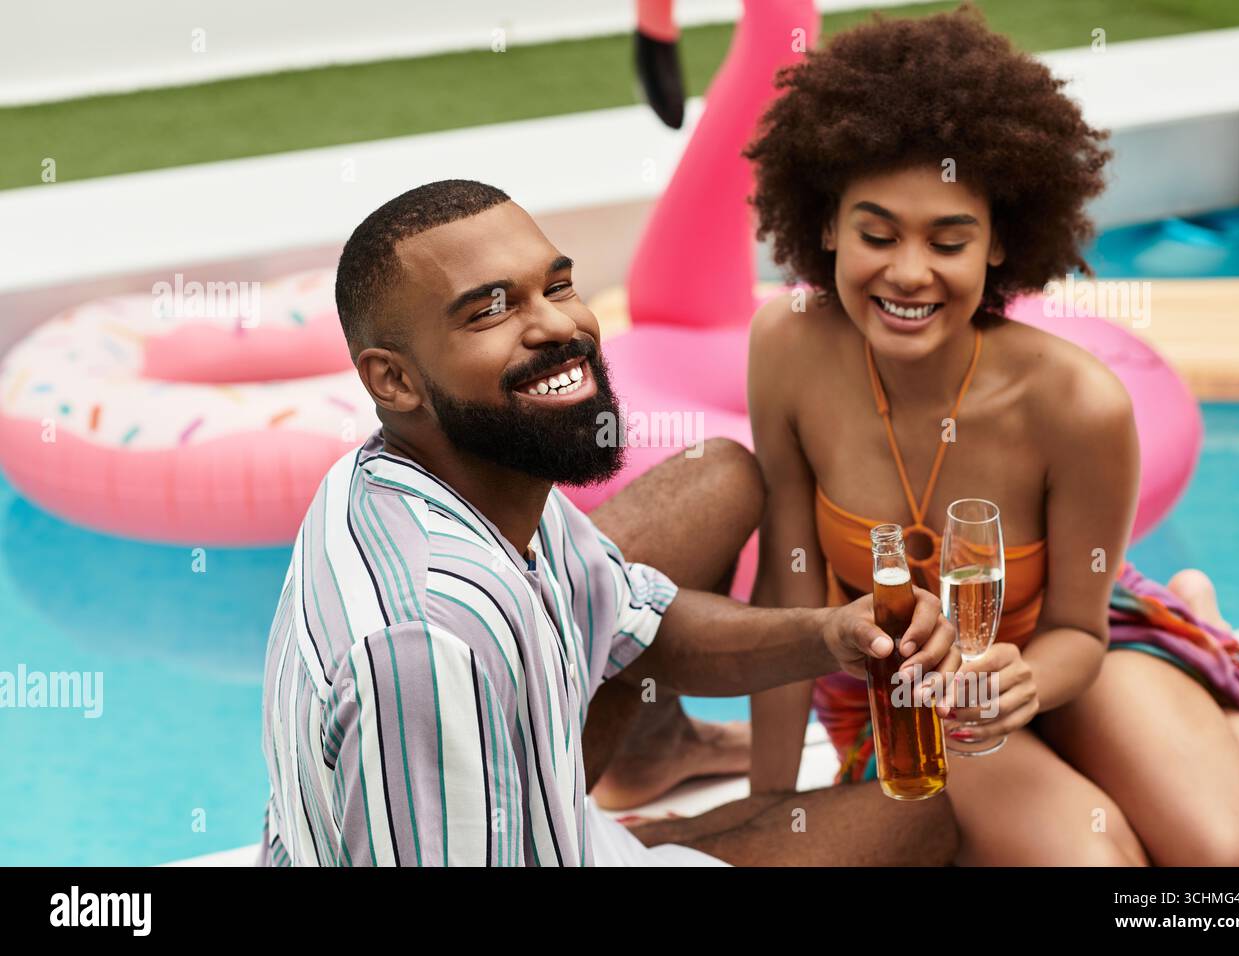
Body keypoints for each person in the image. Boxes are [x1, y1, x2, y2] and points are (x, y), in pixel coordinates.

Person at [256, 178, 962, 866]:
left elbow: (637, 622)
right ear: (394, 379)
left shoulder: (466, 485)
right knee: (919, 826)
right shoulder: (427, 646)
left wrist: (832, 635)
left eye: (557, 286)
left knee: (718, 476)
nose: (559, 325)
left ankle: (633, 795)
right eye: (489, 312)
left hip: (548, 834)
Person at [741, 6, 1239, 865]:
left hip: (1075, 652)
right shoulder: (787, 349)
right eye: (876, 233)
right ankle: (1206, 661)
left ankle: (1197, 639)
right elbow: (787, 584)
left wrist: (1031, 680)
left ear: (1000, 242)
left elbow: (1078, 627)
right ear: (823, 225)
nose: (909, 273)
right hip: (911, 695)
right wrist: (771, 802)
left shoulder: (1077, 403)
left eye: (949, 239)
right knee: (1101, 869)